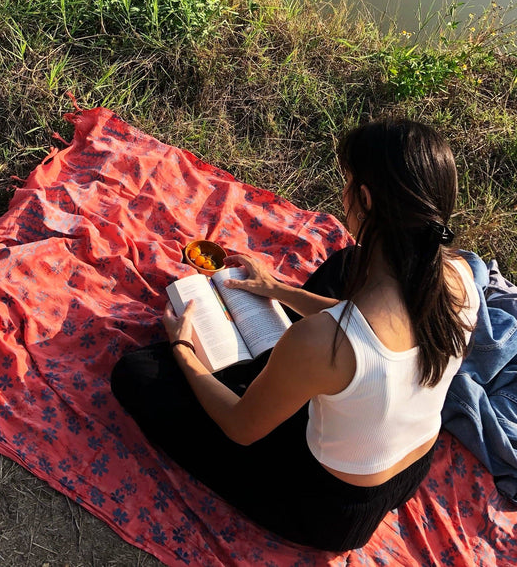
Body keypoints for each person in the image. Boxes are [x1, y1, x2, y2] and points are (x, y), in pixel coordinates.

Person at [111, 118, 480, 552]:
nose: (342, 196)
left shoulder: (325, 342)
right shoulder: (458, 275)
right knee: (345, 266)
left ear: (364, 197)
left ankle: (241, 373)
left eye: (346, 182)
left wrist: (183, 349)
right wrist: (276, 291)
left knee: (137, 375)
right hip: (408, 467)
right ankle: (273, 371)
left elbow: (240, 427)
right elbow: (373, 334)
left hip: (331, 509)